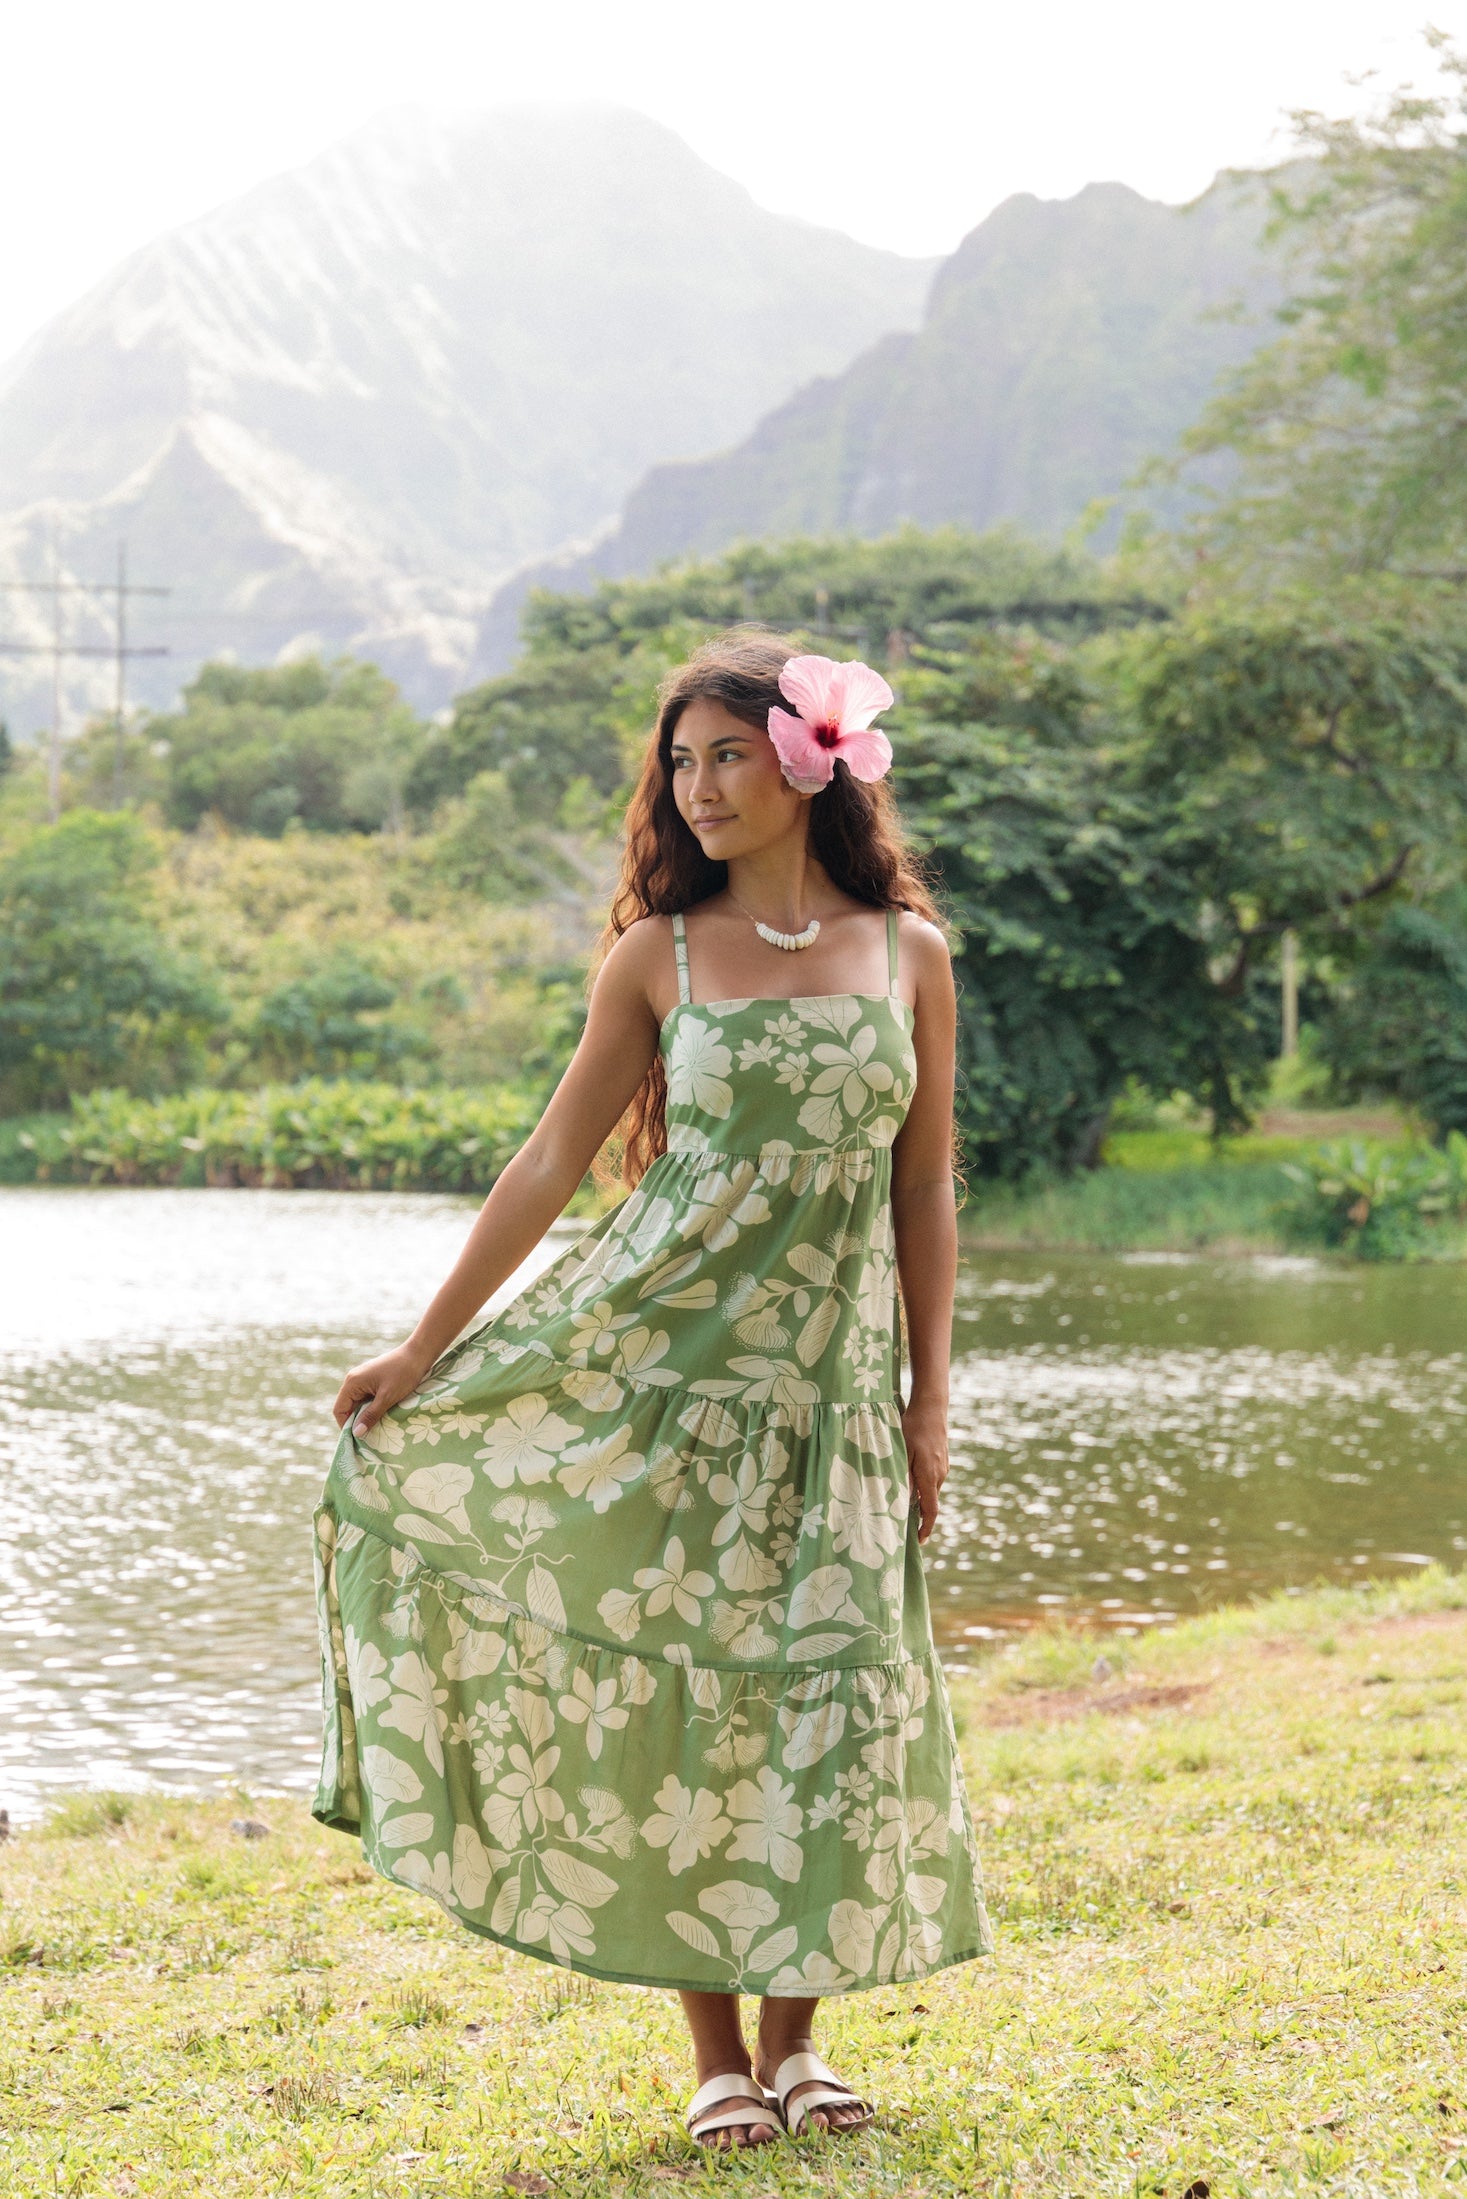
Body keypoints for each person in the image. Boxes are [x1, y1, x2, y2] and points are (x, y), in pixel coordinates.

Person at [317, 631, 992, 2151]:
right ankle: (715, 2059)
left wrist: (929, 1396)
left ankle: (802, 2043)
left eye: (725, 756)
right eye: (676, 765)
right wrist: (424, 1351)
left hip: (828, 1401)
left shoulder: (911, 955)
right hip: (657, 1372)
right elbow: (551, 1164)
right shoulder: (660, 957)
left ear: (809, 762)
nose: (695, 790)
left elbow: (925, 1186)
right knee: (682, 1694)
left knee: (824, 1692)